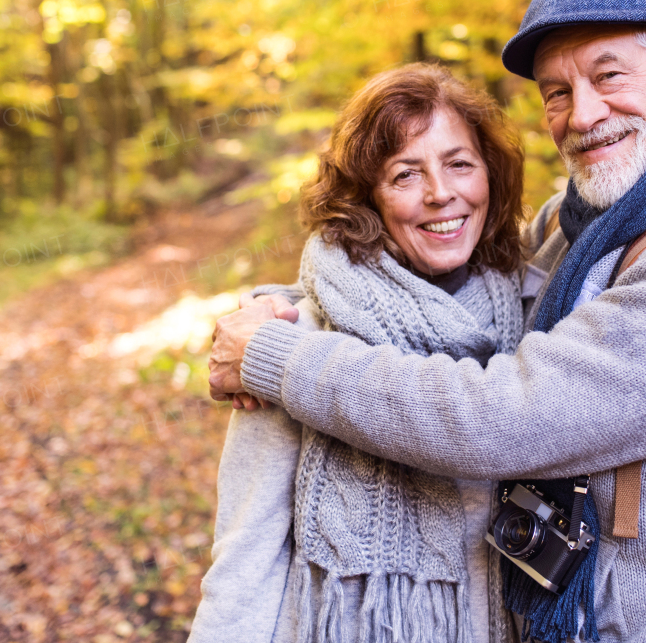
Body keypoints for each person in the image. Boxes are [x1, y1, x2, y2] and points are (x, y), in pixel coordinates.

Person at [209, 0, 646, 643]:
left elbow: (502, 416)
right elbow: (458, 287)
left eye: (608, 75)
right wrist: (284, 309)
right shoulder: (588, 218)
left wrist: (275, 355)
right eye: (558, 91)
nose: (583, 114)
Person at [189, 64, 535, 643]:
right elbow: (247, 552)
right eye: (405, 174)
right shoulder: (289, 333)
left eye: (459, 163)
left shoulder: (536, 310)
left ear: (491, 178)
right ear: (366, 200)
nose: (441, 193)